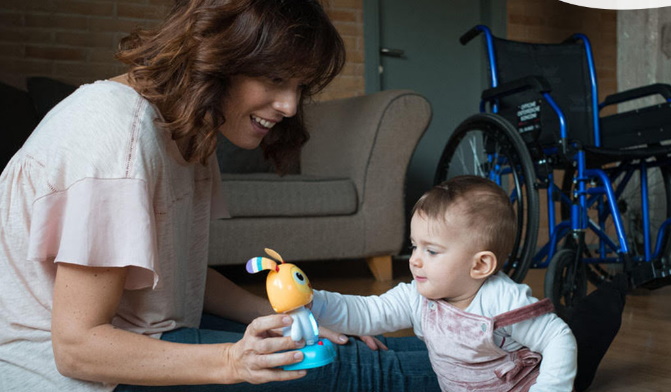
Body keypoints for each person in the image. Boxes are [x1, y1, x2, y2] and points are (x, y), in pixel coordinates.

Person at [0, 1, 440, 391]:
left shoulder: (187, 127)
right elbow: (77, 350)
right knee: (366, 373)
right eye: (274, 78)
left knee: (370, 353)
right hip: (73, 376)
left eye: (300, 87)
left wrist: (285, 319)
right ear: (215, 56)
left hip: (145, 336)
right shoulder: (117, 131)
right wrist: (233, 361)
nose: (289, 105)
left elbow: (173, 273)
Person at [312, 175, 584, 391]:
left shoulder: (502, 301)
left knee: (569, 346)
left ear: (479, 265)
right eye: (414, 246)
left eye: (431, 251)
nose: (415, 260)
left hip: (518, 387)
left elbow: (557, 337)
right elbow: (365, 312)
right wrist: (313, 303)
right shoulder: (416, 297)